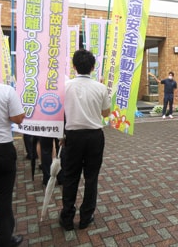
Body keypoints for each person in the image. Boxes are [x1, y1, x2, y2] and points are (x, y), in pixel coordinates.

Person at [59, 49, 111, 231]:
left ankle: (67, 217)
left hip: (72, 136)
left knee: (70, 176)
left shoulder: (64, 86)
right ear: (92, 67)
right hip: (94, 136)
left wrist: (60, 136)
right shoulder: (101, 87)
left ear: (74, 67)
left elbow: (59, 114)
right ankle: (86, 216)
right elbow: (105, 113)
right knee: (91, 177)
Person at [0, 53, 25, 246]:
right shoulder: (5, 91)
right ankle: (4, 239)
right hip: (2, 149)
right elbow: (18, 118)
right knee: (3, 196)